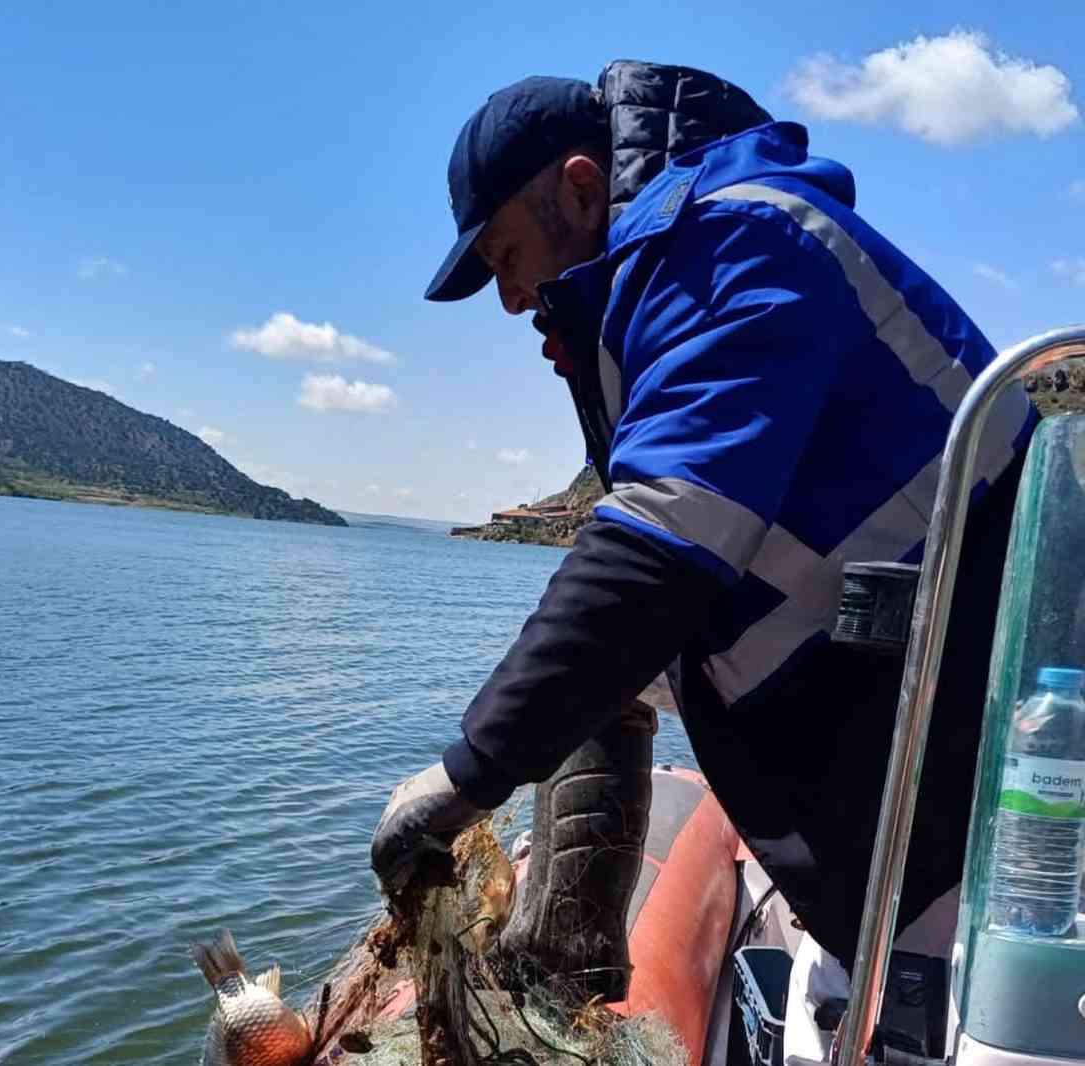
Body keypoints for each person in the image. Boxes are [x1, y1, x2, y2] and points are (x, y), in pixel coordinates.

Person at [370, 62, 1036, 1060]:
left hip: (963, 789)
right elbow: (677, 593)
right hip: (880, 766)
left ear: (584, 188)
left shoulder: (735, 243)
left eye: (507, 258)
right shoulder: (668, 285)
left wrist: (467, 775)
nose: (510, 301)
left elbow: (656, 551)